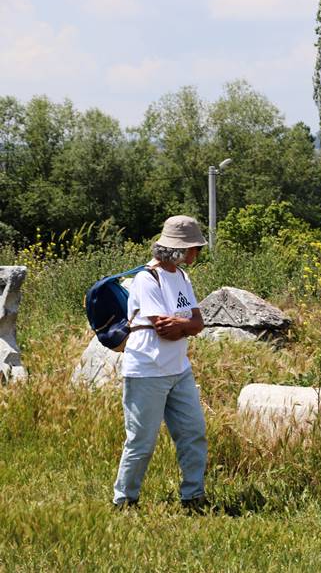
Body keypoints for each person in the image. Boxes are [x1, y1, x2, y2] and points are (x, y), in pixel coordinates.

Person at [112, 215, 208, 511]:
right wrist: (185, 324)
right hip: (147, 369)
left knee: (193, 432)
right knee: (141, 440)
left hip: (179, 368)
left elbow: (198, 323)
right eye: (194, 247)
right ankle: (125, 500)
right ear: (177, 249)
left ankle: (193, 497)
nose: (197, 253)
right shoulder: (146, 278)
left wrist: (184, 324)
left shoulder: (182, 277)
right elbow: (162, 327)